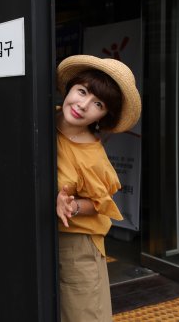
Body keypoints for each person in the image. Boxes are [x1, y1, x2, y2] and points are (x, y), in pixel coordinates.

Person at [55, 55, 141, 322]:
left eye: (98, 104)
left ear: (104, 115)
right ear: (70, 87)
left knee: (84, 315)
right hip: (43, 237)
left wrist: (71, 205)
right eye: (82, 91)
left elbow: (99, 203)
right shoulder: (45, 119)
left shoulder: (93, 157)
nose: (83, 105)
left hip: (77, 246)